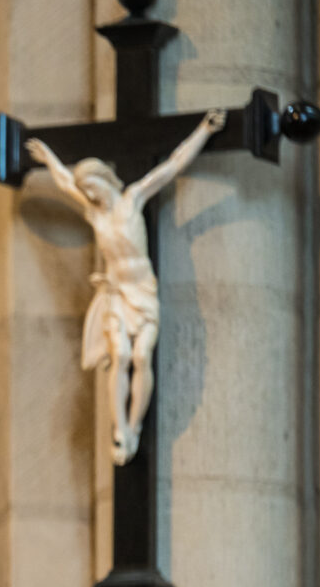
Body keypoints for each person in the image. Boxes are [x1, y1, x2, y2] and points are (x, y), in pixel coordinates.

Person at [26, 107, 225, 464]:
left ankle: (134, 423)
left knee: (140, 354)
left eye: (93, 187)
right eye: (86, 189)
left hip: (142, 290)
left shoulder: (133, 199)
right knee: (119, 356)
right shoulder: (95, 213)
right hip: (116, 291)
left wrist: (204, 131)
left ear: (105, 180)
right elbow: (64, 182)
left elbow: (174, 166)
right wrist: (49, 158)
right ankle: (121, 431)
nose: (89, 194)